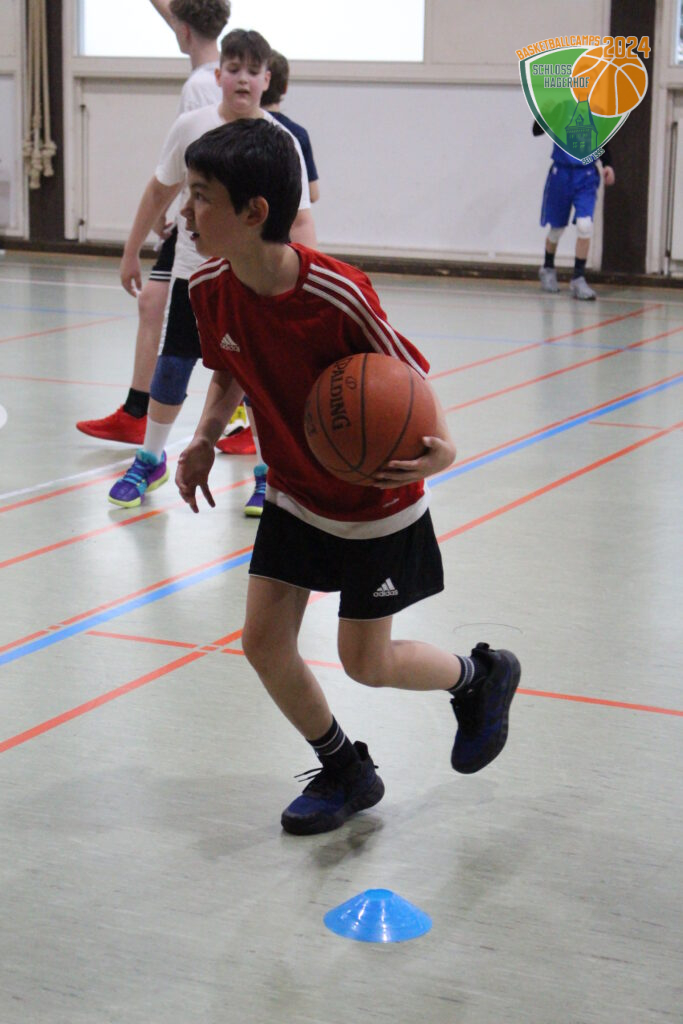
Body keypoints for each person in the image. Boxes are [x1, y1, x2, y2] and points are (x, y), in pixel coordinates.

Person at [175, 119, 521, 835]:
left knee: (366, 662)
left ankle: (479, 677)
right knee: (263, 644)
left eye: (201, 196)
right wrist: (205, 438)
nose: (186, 210)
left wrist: (445, 448)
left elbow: (404, 379)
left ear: (254, 212)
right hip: (294, 494)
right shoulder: (208, 286)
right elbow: (229, 365)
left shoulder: (337, 293)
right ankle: (345, 770)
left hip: (376, 506)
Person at [107, 29, 316, 509]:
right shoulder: (191, 126)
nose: (242, 79)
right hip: (194, 274)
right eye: (233, 69)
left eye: (252, 71)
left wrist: (305, 281)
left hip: (256, 280)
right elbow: (159, 190)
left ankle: (268, 471)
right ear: (217, 75)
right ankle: (151, 458)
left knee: (257, 380)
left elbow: (301, 218)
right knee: (173, 365)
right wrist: (131, 250)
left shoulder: (282, 141)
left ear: (268, 79)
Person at [76, 0, 230, 445]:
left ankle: (227, 417)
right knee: (151, 304)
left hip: (198, 221)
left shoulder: (202, 86)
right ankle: (136, 409)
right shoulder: (214, 67)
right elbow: (180, 15)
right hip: (192, 212)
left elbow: (198, 157)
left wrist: (169, 211)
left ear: (183, 31)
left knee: (201, 335)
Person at [217, 47, 322, 493]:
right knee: (239, 367)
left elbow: (303, 206)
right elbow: (313, 194)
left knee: (264, 373)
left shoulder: (282, 138)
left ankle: (273, 463)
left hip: (273, 268)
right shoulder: (290, 133)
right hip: (247, 270)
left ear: (265, 80)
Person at [534, 119, 615, 300]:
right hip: (561, 174)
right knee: (556, 229)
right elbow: (536, 130)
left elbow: (602, 141)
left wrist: (607, 164)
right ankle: (548, 267)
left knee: (585, 225)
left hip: (586, 175)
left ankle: (578, 277)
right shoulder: (561, 109)